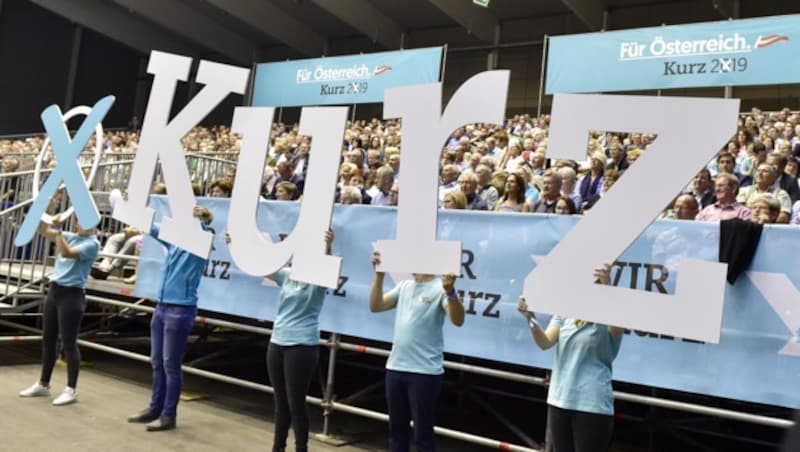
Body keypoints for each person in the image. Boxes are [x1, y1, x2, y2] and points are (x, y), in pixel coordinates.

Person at [227, 230, 335, 452]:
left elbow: (329, 267)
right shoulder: (287, 274)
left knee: (296, 402)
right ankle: (278, 447)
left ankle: (301, 448)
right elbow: (259, 265)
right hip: (277, 341)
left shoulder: (318, 279)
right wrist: (237, 244)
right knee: (281, 402)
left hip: (302, 345)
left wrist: (328, 247)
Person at [127, 206, 214, 431]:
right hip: (162, 307)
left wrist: (202, 218)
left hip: (180, 309)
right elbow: (153, 228)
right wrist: (133, 206)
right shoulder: (175, 242)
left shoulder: (200, 245)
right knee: (157, 362)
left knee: (170, 365)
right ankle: (155, 408)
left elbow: (206, 231)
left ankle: (168, 415)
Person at [517, 264, 622, 452]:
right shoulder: (565, 310)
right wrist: (530, 318)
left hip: (592, 404)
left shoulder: (611, 312)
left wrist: (608, 287)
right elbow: (545, 342)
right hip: (560, 399)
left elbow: (616, 326)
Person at [369, 251, 465, 452]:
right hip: (395, 368)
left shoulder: (440, 288)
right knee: (397, 432)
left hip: (425, 372)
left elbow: (458, 320)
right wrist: (379, 276)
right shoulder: (404, 286)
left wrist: (451, 292)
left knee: (422, 435)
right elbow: (376, 306)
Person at [19, 214, 100, 406]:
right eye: (79, 220)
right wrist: (48, 209)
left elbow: (66, 253)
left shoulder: (92, 244)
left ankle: (71, 390)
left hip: (72, 295)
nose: (80, 224)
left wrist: (58, 231)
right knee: (48, 339)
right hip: (54, 290)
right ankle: (43, 384)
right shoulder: (71, 235)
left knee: (69, 343)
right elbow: (40, 229)